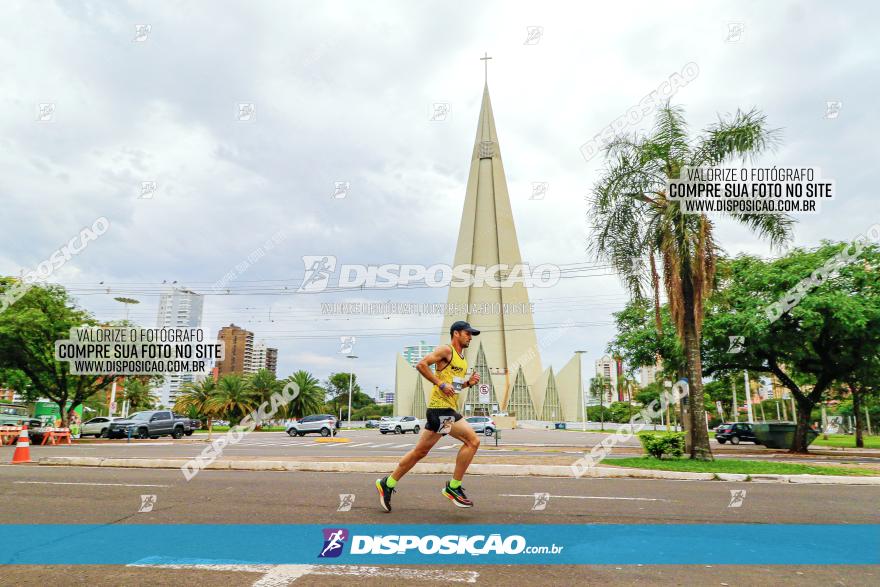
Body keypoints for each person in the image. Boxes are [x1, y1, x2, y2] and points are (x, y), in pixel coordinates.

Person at [376, 321, 481, 512]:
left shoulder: (462, 360)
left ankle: (387, 483)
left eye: (471, 334)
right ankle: (453, 487)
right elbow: (421, 365)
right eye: (467, 333)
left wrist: (468, 384)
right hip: (441, 410)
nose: (470, 337)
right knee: (472, 441)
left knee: (420, 452)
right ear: (456, 333)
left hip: (442, 410)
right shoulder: (446, 350)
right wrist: (439, 384)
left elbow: (453, 388)